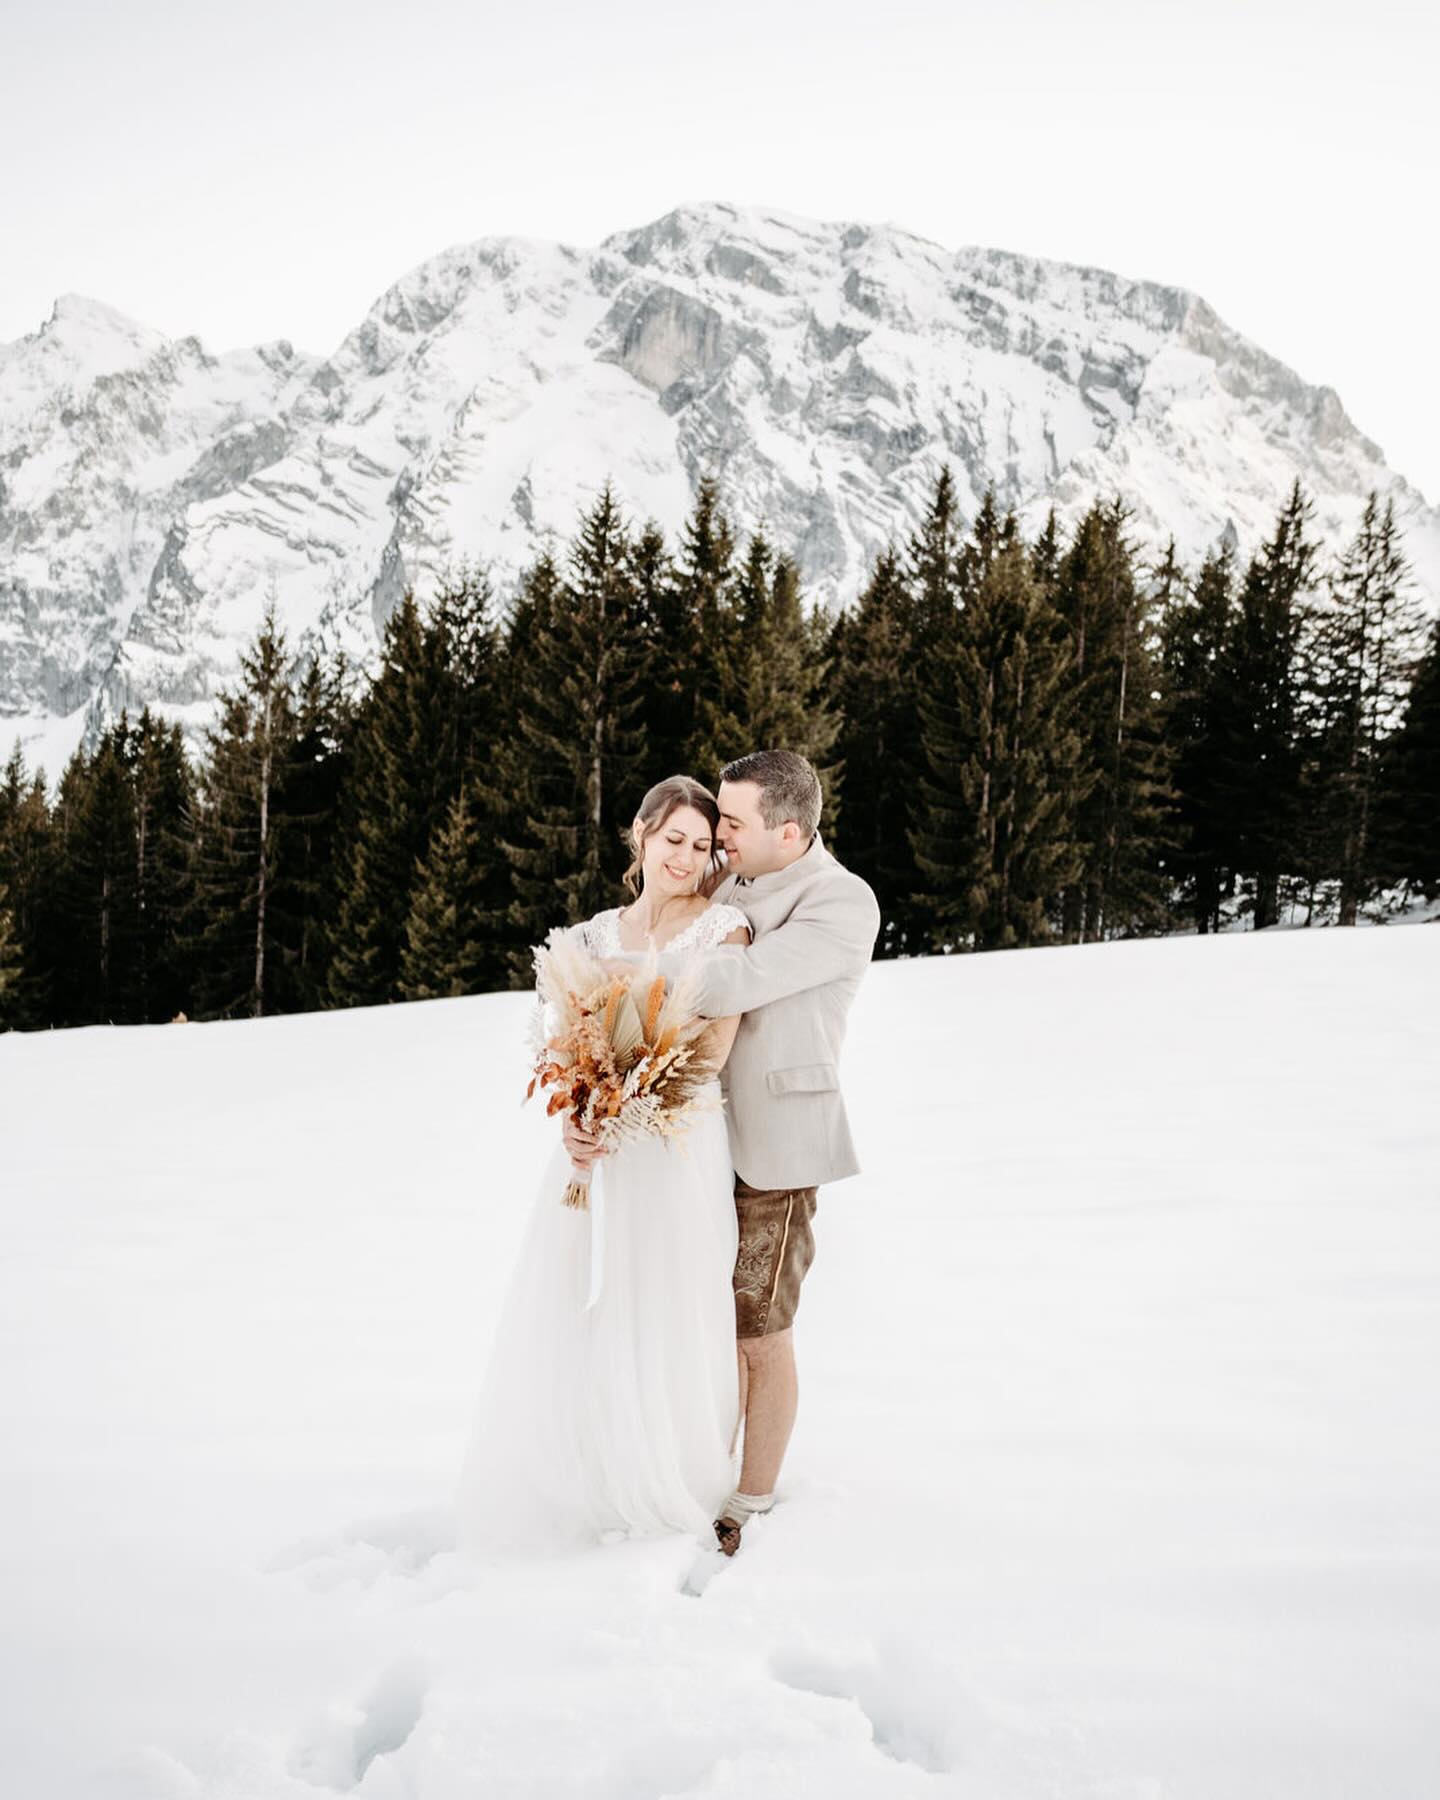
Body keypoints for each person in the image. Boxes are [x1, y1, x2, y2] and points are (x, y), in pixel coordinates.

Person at [568, 749, 881, 1557]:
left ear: (788, 830)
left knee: (757, 1325)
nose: (719, 842)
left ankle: (750, 1496)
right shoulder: (730, 882)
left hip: (776, 1143)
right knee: (686, 1312)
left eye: (733, 826)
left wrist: (602, 976)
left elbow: (730, 982)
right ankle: (688, 1461)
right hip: (691, 1139)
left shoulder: (842, 902)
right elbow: (663, 909)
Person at [452, 776, 752, 1555]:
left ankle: (678, 1470)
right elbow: (565, 1048)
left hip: (678, 1147)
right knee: (598, 1297)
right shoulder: (589, 938)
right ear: (641, 837)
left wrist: (638, 1100)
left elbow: (713, 1050)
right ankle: (596, 1467)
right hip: (600, 1156)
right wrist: (579, 1118)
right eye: (672, 839)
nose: (685, 857)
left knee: (673, 1295)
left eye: (699, 844)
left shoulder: (724, 930)